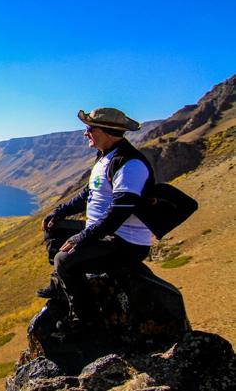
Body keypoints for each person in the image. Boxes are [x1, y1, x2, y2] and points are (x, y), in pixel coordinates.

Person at [39, 107, 155, 331]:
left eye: (90, 128)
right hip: (103, 232)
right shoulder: (105, 157)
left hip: (125, 243)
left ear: (108, 131)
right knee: (54, 228)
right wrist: (59, 212)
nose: (85, 133)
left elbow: (119, 211)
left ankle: (84, 317)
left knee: (64, 260)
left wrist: (83, 236)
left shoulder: (130, 164)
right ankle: (60, 285)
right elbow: (88, 193)